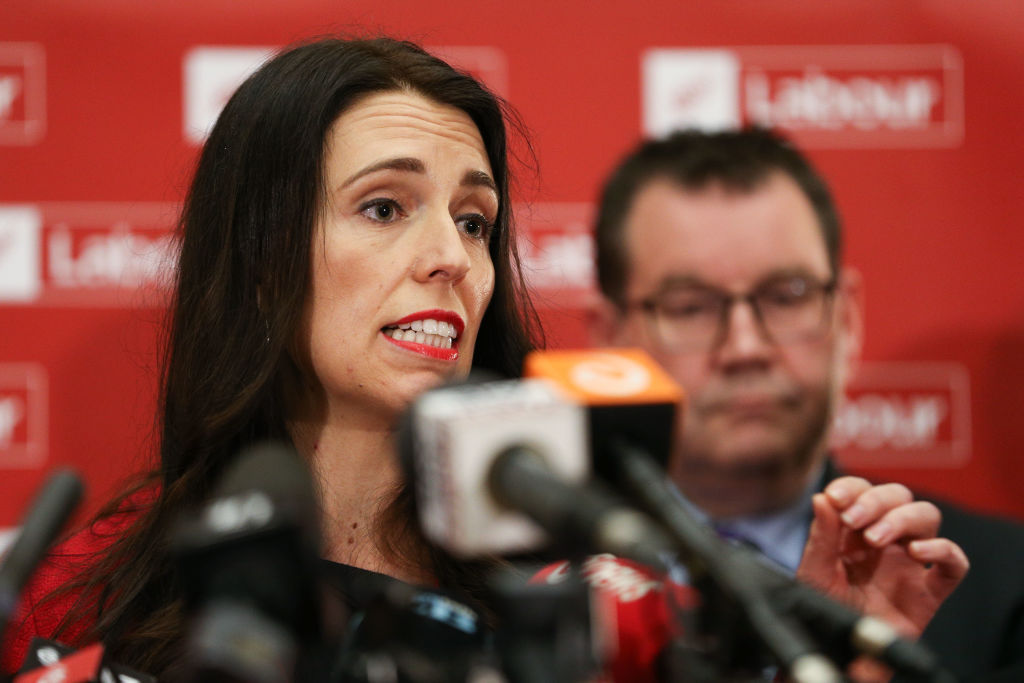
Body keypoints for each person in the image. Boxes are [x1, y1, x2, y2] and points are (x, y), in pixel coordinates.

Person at [0, 39, 965, 681]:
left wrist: (828, 656)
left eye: (474, 221)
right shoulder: (86, 591)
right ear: (259, 263)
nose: (451, 260)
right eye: (385, 208)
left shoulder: (596, 604)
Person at [587, 126, 1024, 681]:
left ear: (847, 318)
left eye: (786, 296)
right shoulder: (514, 584)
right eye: (691, 307)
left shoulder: (1003, 588)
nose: (746, 347)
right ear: (608, 338)